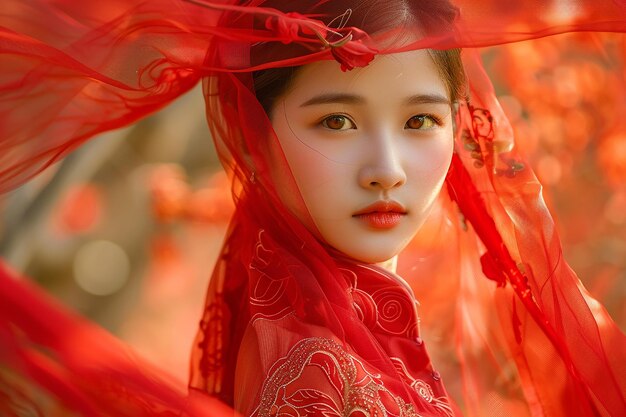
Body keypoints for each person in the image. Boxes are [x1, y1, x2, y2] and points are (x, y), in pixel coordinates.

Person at [0, 1, 625, 416]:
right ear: (256, 134)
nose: (386, 167)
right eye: (337, 120)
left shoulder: (333, 331)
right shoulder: (316, 372)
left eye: (419, 120)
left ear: (458, 128)